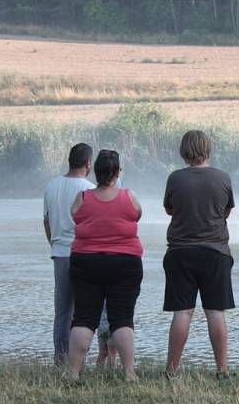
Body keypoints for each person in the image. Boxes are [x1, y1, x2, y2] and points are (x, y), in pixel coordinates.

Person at [162, 130, 236, 379]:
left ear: (184, 151)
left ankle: (172, 371)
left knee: (182, 312)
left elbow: (169, 209)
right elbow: (225, 212)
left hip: (180, 252)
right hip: (216, 252)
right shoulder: (223, 178)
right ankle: (222, 370)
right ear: (208, 149)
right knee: (215, 311)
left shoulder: (175, 178)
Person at [66, 149, 144, 382]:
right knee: (122, 318)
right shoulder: (128, 196)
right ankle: (129, 373)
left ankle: (73, 373)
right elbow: (137, 214)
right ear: (117, 173)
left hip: (86, 262)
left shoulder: (83, 197)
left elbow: (74, 215)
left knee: (84, 318)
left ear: (95, 172)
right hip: (125, 262)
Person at [43, 142, 94, 364]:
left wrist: (54, 245)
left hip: (59, 254)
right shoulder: (89, 189)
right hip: (83, 253)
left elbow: (46, 221)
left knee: (62, 311)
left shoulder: (51, 186)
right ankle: (78, 360)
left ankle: (60, 358)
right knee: (83, 311)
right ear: (88, 163)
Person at [95, 303, 118, 369]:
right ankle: (111, 375)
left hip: (101, 327)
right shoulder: (115, 296)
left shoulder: (100, 296)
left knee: (103, 353)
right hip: (112, 327)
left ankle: (98, 375)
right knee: (112, 353)